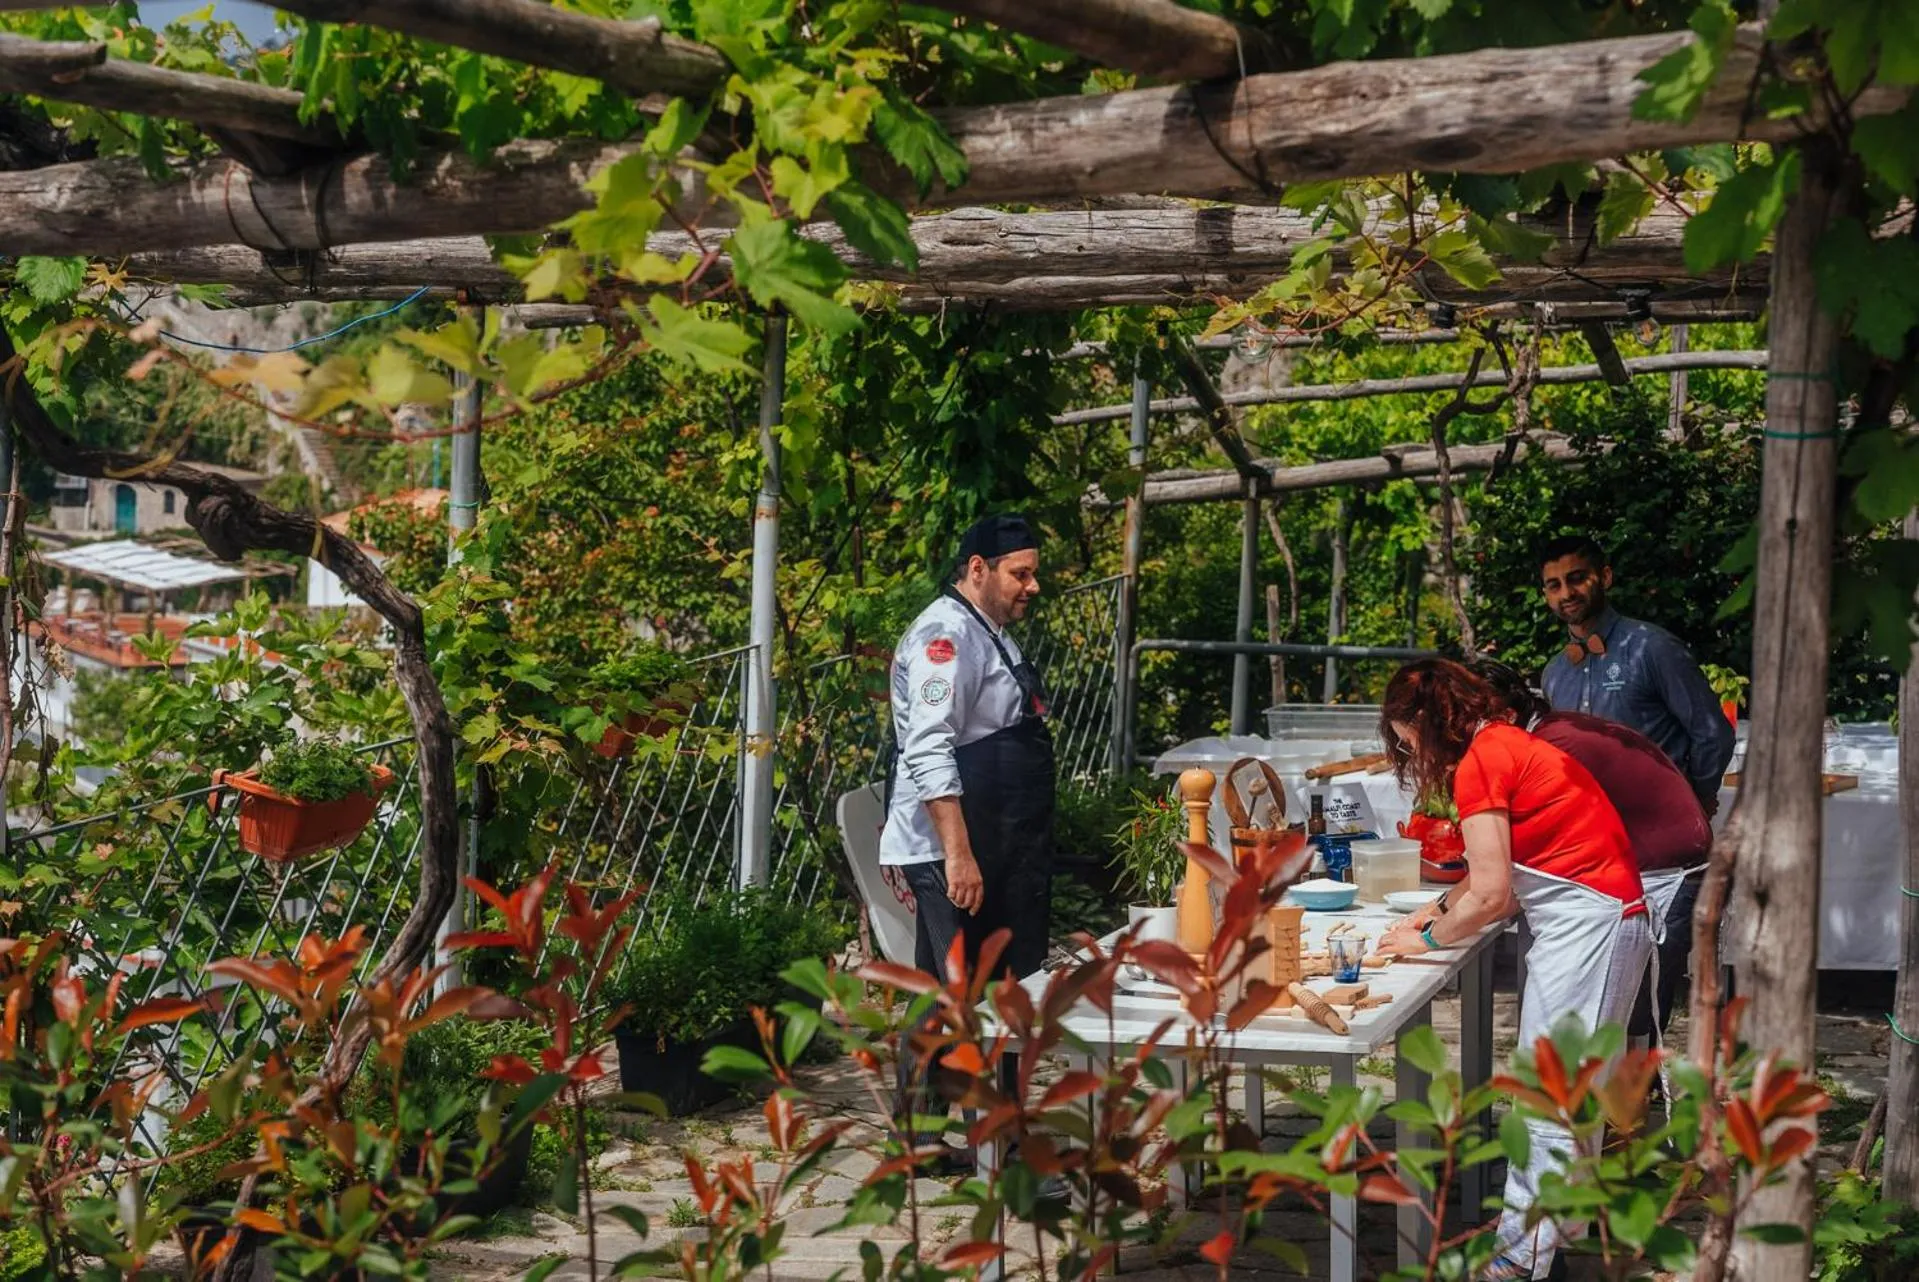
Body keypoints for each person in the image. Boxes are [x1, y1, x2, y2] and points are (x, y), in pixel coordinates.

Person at [1375, 659, 1651, 1282]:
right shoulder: (1503, 745)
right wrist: (1428, 913)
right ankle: (1558, 1232)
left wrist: (1425, 940)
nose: (1407, 752)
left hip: (1593, 925)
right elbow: (1488, 873)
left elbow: (1493, 895)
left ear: (1428, 722)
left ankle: (1516, 1260)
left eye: (1406, 739)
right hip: (1599, 919)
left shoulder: (1480, 763)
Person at [881, 513, 1052, 1170]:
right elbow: (926, 747)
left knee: (940, 990)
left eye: (1032, 573)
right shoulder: (943, 637)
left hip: (990, 838)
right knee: (974, 990)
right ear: (976, 570)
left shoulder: (986, 632)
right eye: (1020, 573)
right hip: (950, 848)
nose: (1031, 586)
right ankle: (1000, 1139)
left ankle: (922, 1139)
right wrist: (958, 854)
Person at [1469, 658, 1712, 1047]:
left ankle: (1628, 1105)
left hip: (1663, 873)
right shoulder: (1553, 731)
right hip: (1659, 864)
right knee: (1620, 1022)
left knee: (1631, 1022)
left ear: (1506, 714)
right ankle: (1619, 1101)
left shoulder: (1548, 746)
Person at [1536, 534, 1735, 813]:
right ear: (1546, 595)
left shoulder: (1653, 647)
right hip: (1589, 831)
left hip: (1661, 825)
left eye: (1577, 578)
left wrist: (1694, 799)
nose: (1567, 593)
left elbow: (1713, 734)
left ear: (1605, 577)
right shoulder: (1554, 674)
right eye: (1554, 585)